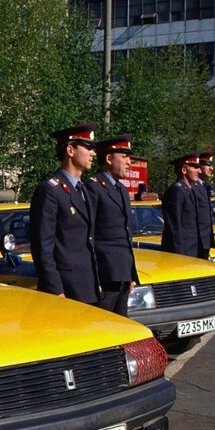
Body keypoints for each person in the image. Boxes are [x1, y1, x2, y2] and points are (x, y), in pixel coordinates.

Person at [30, 123, 100, 303]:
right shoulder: (50, 190)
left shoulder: (84, 189)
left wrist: (95, 280)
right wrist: (55, 289)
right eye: (88, 148)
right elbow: (43, 247)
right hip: (65, 289)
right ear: (70, 150)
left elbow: (88, 242)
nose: (94, 153)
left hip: (86, 285)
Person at [86, 134, 139, 317]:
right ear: (109, 159)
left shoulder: (121, 190)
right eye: (124, 157)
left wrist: (129, 274)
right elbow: (89, 235)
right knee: (102, 327)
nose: (129, 162)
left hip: (121, 273)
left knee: (121, 328)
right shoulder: (93, 187)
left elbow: (125, 235)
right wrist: (94, 277)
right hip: (105, 274)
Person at [161, 153, 209, 259]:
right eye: (195, 168)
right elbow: (174, 226)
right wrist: (179, 255)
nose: (199, 171)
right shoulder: (176, 191)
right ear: (184, 170)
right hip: (183, 251)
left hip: (193, 249)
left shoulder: (189, 190)